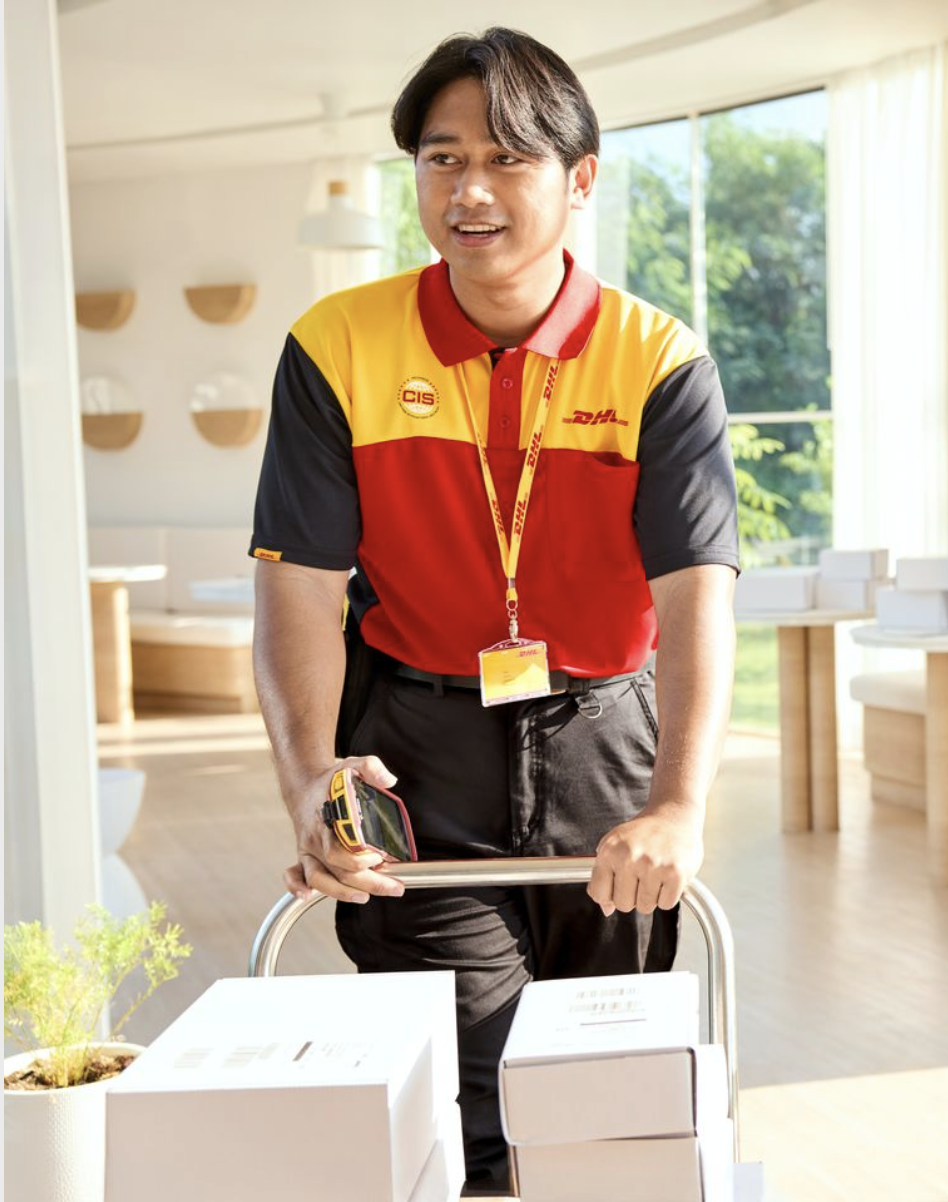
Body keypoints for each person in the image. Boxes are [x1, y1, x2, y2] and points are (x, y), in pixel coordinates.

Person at [249, 27, 739, 1194]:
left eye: (508, 157)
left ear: (579, 178)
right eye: (439, 157)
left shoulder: (658, 359)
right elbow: (297, 590)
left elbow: (695, 590)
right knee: (477, 1089)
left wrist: (676, 802)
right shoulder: (337, 345)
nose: (468, 189)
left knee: (604, 1089)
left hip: (602, 745)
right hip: (416, 754)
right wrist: (312, 779)